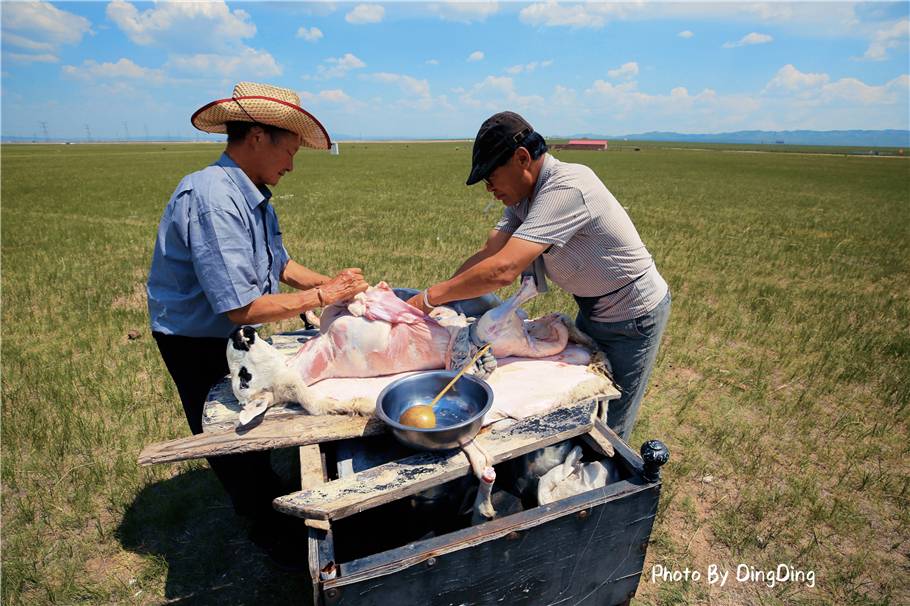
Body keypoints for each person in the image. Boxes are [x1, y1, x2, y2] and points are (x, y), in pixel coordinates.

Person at [146, 82, 368, 565]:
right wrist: (323, 296)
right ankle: (265, 526)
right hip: (195, 337)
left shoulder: (251, 193)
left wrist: (337, 286)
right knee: (227, 429)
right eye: (289, 151)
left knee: (253, 409)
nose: (290, 164)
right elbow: (239, 308)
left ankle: (267, 491)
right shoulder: (213, 198)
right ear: (257, 137)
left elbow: (282, 266)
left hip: (226, 329)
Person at [407, 111, 670, 442]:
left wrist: (429, 298)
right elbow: (491, 253)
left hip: (632, 317)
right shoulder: (524, 200)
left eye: (491, 176)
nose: (489, 188)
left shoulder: (568, 187)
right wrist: (437, 298)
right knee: (583, 405)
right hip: (596, 308)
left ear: (521, 158)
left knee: (607, 423)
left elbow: (504, 270)